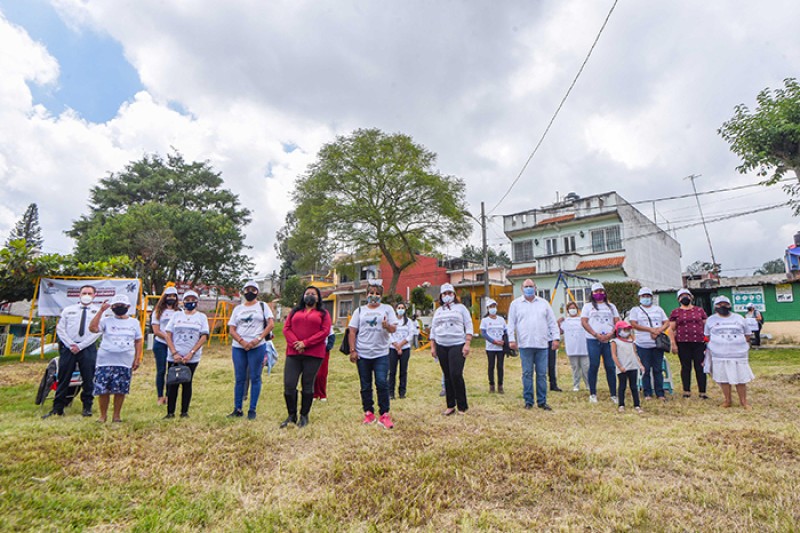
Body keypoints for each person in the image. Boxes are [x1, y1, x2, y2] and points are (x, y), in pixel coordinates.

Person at [44, 284, 102, 419]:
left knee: (88, 379)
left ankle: (87, 407)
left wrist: (81, 346)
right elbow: (61, 329)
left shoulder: (97, 312)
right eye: (84, 293)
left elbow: (97, 331)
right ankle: (57, 408)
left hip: (87, 348)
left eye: (89, 293)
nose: (86, 295)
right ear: (79, 295)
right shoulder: (68, 310)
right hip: (69, 348)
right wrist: (71, 344)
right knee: (63, 378)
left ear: (94, 295)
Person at [349, 280, 398, 427]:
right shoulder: (359, 311)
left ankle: (384, 414)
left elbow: (394, 329)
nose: (374, 296)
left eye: (377, 293)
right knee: (365, 385)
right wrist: (353, 350)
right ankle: (368, 413)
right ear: (366, 294)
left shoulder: (387, 309)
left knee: (382, 382)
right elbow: (352, 331)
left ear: (381, 295)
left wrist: (387, 326)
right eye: (371, 293)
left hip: (381, 353)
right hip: (363, 354)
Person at [281, 286, 332, 428]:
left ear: (318, 297)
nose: (310, 296)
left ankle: (304, 416)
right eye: (307, 293)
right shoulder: (295, 311)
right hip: (293, 352)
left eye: (313, 294)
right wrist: (296, 343)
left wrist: (306, 343)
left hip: (314, 353)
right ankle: (291, 415)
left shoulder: (323, 313)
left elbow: (325, 331)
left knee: (307, 384)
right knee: (289, 384)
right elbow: (286, 328)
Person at [88, 294, 143, 423]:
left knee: (120, 390)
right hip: (105, 360)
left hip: (124, 361)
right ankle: (103, 416)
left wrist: (137, 358)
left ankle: (116, 415)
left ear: (128, 307)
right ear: (112, 307)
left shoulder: (134, 322)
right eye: (116, 306)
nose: (119, 308)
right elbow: (92, 328)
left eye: (122, 306)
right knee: (103, 389)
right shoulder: (106, 320)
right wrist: (101, 311)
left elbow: (139, 341)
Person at [508, 279, 560, 411]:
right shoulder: (515, 304)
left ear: (535, 288)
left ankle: (542, 401)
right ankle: (528, 401)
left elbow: (552, 322)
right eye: (526, 286)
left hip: (542, 344)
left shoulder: (543, 304)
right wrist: (511, 340)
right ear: (522, 289)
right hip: (525, 345)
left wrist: (556, 338)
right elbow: (511, 324)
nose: (529, 288)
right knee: (527, 374)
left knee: (542, 374)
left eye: (531, 286)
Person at [227, 281, 275, 420]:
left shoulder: (263, 306)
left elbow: (271, 324)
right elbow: (232, 329)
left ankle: (252, 409)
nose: (250, 292)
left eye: (253, 290)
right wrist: (242, 341)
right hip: (239, 347)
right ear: (243, 291)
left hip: (257, 346)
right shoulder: (238, 309)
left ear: (257, 292)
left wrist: (258, 339)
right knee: (240, 378)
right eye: (247, 289)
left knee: (255, 377)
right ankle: (237, 408)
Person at [164, 290, 209, 419]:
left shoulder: (201, 317)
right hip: (175, 355)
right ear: (183, 301)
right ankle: (170, 412)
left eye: (192, 299)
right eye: (187, 300)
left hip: (192, 357)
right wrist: (174, 352)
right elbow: (168, 334)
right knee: (172, 383)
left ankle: (184, 412)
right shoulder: (176, 316)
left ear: (197, 301)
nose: (190, 302)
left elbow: (204, 336)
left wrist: (191, 353)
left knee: (187, 383)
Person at [430, 283, 473, 415]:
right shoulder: (438, 311)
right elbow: (433, 328)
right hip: (442, 345)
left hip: (457, 344)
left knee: (456, 374)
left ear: (454, 295)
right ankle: (450, 405)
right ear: (441, 296)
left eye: (450, 293)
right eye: (444, 294)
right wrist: (433, 346)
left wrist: (467, 343)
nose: (447, 296)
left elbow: (468, 324)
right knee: (447, 375)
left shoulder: (461, 308)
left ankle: (462, 406)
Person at [705, 295, 754, 409]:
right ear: (715, 307)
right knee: (723, 378)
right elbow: (707, 336)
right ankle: (727, 400)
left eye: (725, 304)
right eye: (720, 304)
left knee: (740, 378)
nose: (723, 306)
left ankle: (744, 402)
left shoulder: (739, 318)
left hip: (738, 354)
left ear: (730, 305)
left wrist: (737, 343)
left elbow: (747, 335)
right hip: (719, 355)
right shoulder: (711, 320)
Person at [581, 282, 621, 404]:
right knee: (594, 365)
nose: (599, 293)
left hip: (609, 340)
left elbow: (617, 322)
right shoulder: (587, 307)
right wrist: (595, 334)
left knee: (610, 366)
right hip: (593, 340)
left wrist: (611, 334)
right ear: (592, 294)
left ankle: (614, 394)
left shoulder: (611, 306)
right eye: (596, 292)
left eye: (601, 291)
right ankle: (592, 393)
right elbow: (584, 322)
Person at [629, 287, 670, 401]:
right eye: (644, 296)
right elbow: (634, 324)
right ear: (639, 298)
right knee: (645, 369)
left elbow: (666, 322)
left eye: (648, 296)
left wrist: (659, 330)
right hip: (643, 344)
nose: (646, 298)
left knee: (658, 369)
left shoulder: (658, 309)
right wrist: (650, 330)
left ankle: (660, 393)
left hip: (657, 344)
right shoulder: (635, 310)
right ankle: (647, 393)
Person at [668, 288, 708, 399]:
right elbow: (671, 329)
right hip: (682, 343)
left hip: (698, 342)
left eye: (687, 295)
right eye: (682, 296)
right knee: (685, 367)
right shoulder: (676, 312)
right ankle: (686, 391)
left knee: (700, 367)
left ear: (691, 297)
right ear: (678, 299)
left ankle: (702, 392)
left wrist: (708, 340)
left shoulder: (699, 311)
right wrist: (673, 343)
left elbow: (706, 325)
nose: (684, 298)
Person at [151, 286, 179, 406]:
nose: (171, 298)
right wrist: (167, 338)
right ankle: (160, 396)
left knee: (171, 371)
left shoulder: (179, 312)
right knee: (161, 370)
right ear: (165, 297)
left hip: (174, 345)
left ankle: (169, 395)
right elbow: (156, 330)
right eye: (169, 296)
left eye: (174, 296)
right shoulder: (158, 312)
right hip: (161, 344)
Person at [610, 320, 645, 414]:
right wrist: (619, 366)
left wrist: (640, 364)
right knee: (622, 386)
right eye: (624, 329)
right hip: (622, 367)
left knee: (634, 386)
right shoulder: (615, 341)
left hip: (633, 366)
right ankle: (621, 405)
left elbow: (635, 353)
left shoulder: (631, 341)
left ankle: (637, 405)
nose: (626, 331)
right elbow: (614, 355)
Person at [558, 301, 589, 392]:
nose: (572, 310)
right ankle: (576, 385)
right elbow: (560, 331)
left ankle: (588, 384)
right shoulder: (566, 321)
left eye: (574, 308)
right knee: (575, 368)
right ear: (567, 310)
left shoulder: (582, 320)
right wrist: (558, 323)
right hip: (572, 348)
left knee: (586, 367)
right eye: (570, 308)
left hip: (583, 348)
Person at [480, 298, 506, 394]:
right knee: (491, 366)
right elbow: (484, 333)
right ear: (488, 308)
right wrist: (493, 341)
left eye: (494, 306)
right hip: (490, 347)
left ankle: (500, 385)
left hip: (501, 347)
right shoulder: (485, 320)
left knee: (500, 366)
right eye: (491, 307)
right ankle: (491, 385)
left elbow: (505, 331)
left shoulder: (501, 319)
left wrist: (504, 341)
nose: (493, 308)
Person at [388, 302, 414, 399]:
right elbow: (389, 334)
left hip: (405, 349)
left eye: (402, 308)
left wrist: (401, 345)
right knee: (392, 372)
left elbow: (411, 334)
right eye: (399, 307)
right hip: (393, 349)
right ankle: (391, 393)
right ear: (395, 309)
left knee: (403, 371)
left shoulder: (409, 322)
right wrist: (396, 345)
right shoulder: (392, 321)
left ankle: (402, 393)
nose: (400, 309)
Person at [313, 325, 336, 402]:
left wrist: (327, 347)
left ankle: (322, 394)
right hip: (312, 349)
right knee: (313, 373)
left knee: (322, 374)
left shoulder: (327, 323)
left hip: (323, 351)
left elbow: (332, 336)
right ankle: (314, 394)